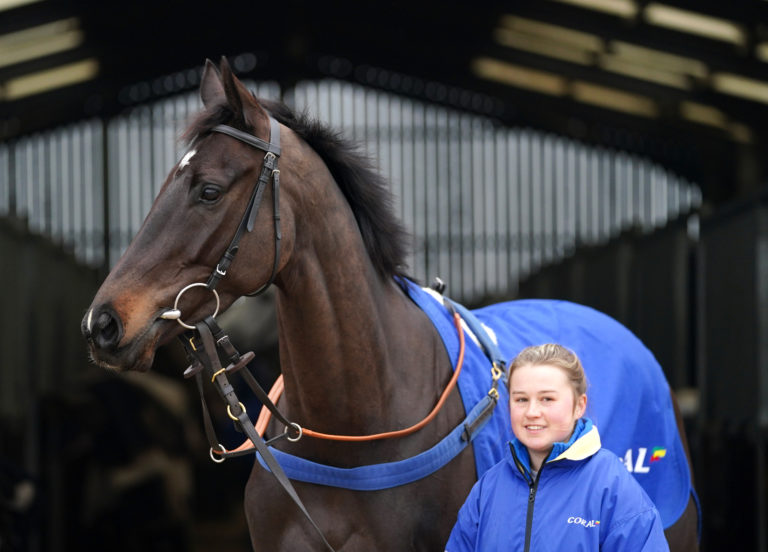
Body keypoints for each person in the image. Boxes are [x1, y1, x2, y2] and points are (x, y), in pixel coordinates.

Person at [445, 343, 669, 551]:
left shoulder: (613, 487)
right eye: (521, 399)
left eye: (547, 399)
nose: (532, 412)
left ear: (579, 406)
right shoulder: (488, 488)